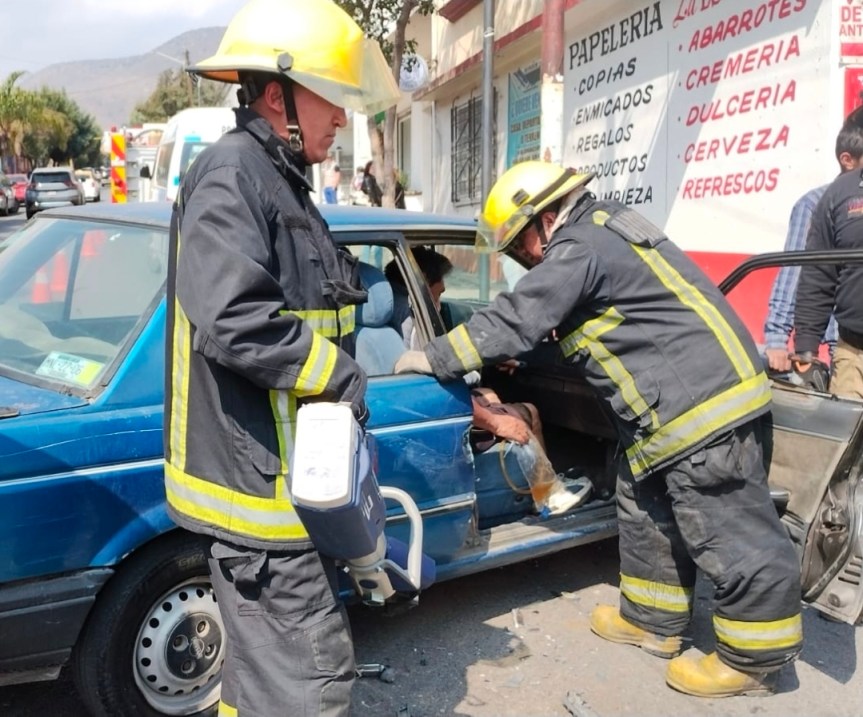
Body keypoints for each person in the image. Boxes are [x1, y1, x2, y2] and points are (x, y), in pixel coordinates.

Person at [394, 160, 803, 698]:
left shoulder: (580, 245)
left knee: (728, 529)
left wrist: (435, 357)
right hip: (665, 412)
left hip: (703, 408)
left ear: (544, 218)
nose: (524, 260)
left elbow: (519, 315)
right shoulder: (599, 232)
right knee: (644, 507)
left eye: (520, 246)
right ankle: (651, 621)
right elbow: (589, 326)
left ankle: (754, 660)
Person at [162, 2, 399, 715]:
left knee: (261, 681)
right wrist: (340, 375)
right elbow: (234, 317)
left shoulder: (277, 177)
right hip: (258, 500)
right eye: (332, 98)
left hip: (283, 491)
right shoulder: (234, 174)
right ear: (277, 96)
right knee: (310, 683)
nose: (342, 118)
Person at [763, 120, 863, 375]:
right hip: (843, 347)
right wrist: (777, 340)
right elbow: (798, 272)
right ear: (847, 160)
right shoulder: (815, 204)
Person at [794, 109, 863, 400]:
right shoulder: (841, 193)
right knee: (846, 428)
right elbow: (818, 272)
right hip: (854, 357)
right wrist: (806, 348)